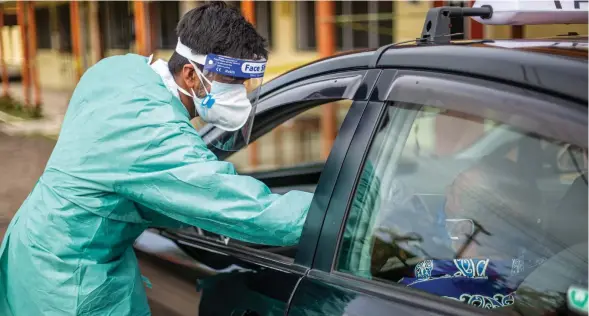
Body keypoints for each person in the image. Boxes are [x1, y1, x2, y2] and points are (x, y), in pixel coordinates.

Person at [0, 2, 313, 316]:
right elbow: (241, 207)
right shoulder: (154, 134)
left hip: (34, 245)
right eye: (233, 83)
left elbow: (121, 178)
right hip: (69, 282)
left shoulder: (119, 70)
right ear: (191, 74)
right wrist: (340, 216)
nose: (241, 94)